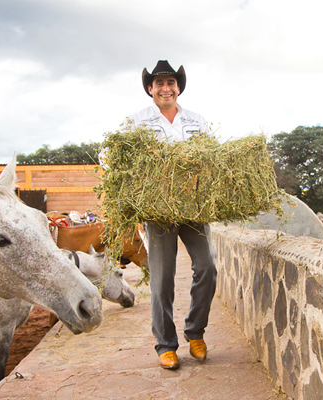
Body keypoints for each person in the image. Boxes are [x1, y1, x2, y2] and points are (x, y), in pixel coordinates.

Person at [124, 60, 217, 370]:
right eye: (159, 83)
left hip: (193, 208)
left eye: (171, 82)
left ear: (178, 87)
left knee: (207, 268)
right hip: (157, 210)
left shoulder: (196, 121)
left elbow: (212, 158)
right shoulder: (136, 122)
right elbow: (110, 155)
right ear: (150, 88)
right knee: (162, 280)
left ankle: (195, 332)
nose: (166, 88)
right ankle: (166, 344)